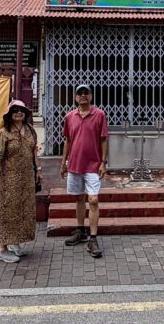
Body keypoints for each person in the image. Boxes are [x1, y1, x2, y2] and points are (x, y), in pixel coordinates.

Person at [59, 83, 108, 258]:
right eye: (80, 93)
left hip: (93, 165)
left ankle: (93, 238)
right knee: (79, 198)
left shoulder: (99, 115)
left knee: (93, 200)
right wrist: (63, 162)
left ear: (91, 96)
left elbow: (103, 139)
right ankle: (81, 231)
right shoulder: (69, 116)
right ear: (76, 97)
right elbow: (67, 141)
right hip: (75, 164)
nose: (83, 95)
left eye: (86, 92)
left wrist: (103, 163)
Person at [0, 99, 40, 263]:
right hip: (8, 180)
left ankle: (14, 243)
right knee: (5, 212)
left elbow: (34, 151)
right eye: (15, 110)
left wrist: (38, 170)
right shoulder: (3, 133)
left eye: (21, 110)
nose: (19, 113)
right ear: (9, 114)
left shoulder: (30, 130)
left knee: (21, 211)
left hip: (26, 180)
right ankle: (2, 249)